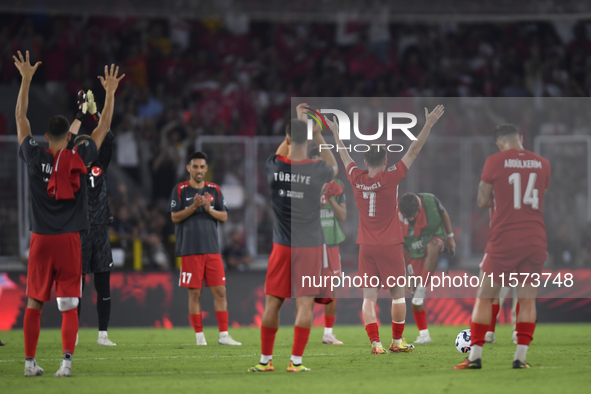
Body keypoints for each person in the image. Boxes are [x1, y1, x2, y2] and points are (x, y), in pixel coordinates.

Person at [16, 50, 122, 377]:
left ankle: (30, 363)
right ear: (70, 137)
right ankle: (65, 363)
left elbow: (21, 119)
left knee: (35, 302)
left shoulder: (35, 157)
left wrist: (26, 80)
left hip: (41, 239)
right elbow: (103, 125)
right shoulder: (80, 156)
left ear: (45, 137)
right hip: (70, 242)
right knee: (69, 304)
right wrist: (110, 94)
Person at [329, 105, 444, 354]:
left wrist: (336, 135)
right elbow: (413, 150)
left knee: (368, 298)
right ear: (385, 160)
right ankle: (397, 341)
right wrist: (428, 124)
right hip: (390, 244)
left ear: (365, 161)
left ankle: (375, 344)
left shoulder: (356, 177)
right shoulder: (391, 176)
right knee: (398, 296)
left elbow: (344, 156)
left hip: (366, 246)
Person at [248, 104, 338, 372]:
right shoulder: (317, 170)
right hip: (309, 246)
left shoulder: (274, 167)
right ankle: (295, 362)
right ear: (307, 139)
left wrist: (297, 122)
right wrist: (318, 134)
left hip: (281, 246)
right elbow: (333, 166)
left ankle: (265, 362)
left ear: (287, 139)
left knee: (272, 304)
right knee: (305, 305)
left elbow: (282, 152)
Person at [454, 124, 551, 370]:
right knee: (528, 301)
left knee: (484, 297)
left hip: (504, 238)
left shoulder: (495, 161)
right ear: (520, 138)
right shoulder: (542, 163)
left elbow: (483, 200)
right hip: (535, 238)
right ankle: (520, 359)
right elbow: (541, 194)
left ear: (499, 144)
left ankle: (474, 357)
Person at [168, 151, 241, 346]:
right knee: (194, 293)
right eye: (195, 166)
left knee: (220, 291)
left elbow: (224, 217)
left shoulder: (214, 190)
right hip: (190, 249)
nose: (199, 170)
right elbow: (174, 217)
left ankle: (224, 335)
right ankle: (199, 336)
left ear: (206, 169)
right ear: (188, 168)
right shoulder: (180, 190)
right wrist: (193, 207)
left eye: (202, 167)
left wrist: (209, 209)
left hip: (212, 249)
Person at [68, 88, 117, 347]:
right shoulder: (69, 165)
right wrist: (80, 113)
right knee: (79, 286)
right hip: (79, 230)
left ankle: (102, 335)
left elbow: (108, 137)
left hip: (100, 230)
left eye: (89, 144)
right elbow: (67, 142)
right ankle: (73, 334)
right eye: (81, 144)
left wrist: (96, 113)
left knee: (103, 284)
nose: (86, 147)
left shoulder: (100, 164)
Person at [398, 192, 456, 344]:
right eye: (407, 216)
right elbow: (400, 246)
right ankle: (424, 335)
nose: (410, 219)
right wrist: (406, 276)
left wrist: (449, 237)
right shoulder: (396, 216)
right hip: (412, 248)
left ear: (419, 207)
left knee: (434, 247)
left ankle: (423, 288)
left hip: (433, 237)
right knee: (413, 293)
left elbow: (444, 215)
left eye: (413, 215)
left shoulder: (431, 200)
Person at [308, 147, 347, 345]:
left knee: (332, 288)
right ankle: (303, 330)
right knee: (307, 288)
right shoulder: (305, 186)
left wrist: (330, 199)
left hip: (331, 243)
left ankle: (328, 333)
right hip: (311, 245)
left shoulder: (337, 185)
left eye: (321, 161)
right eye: (314, 161)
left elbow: (343, 216)